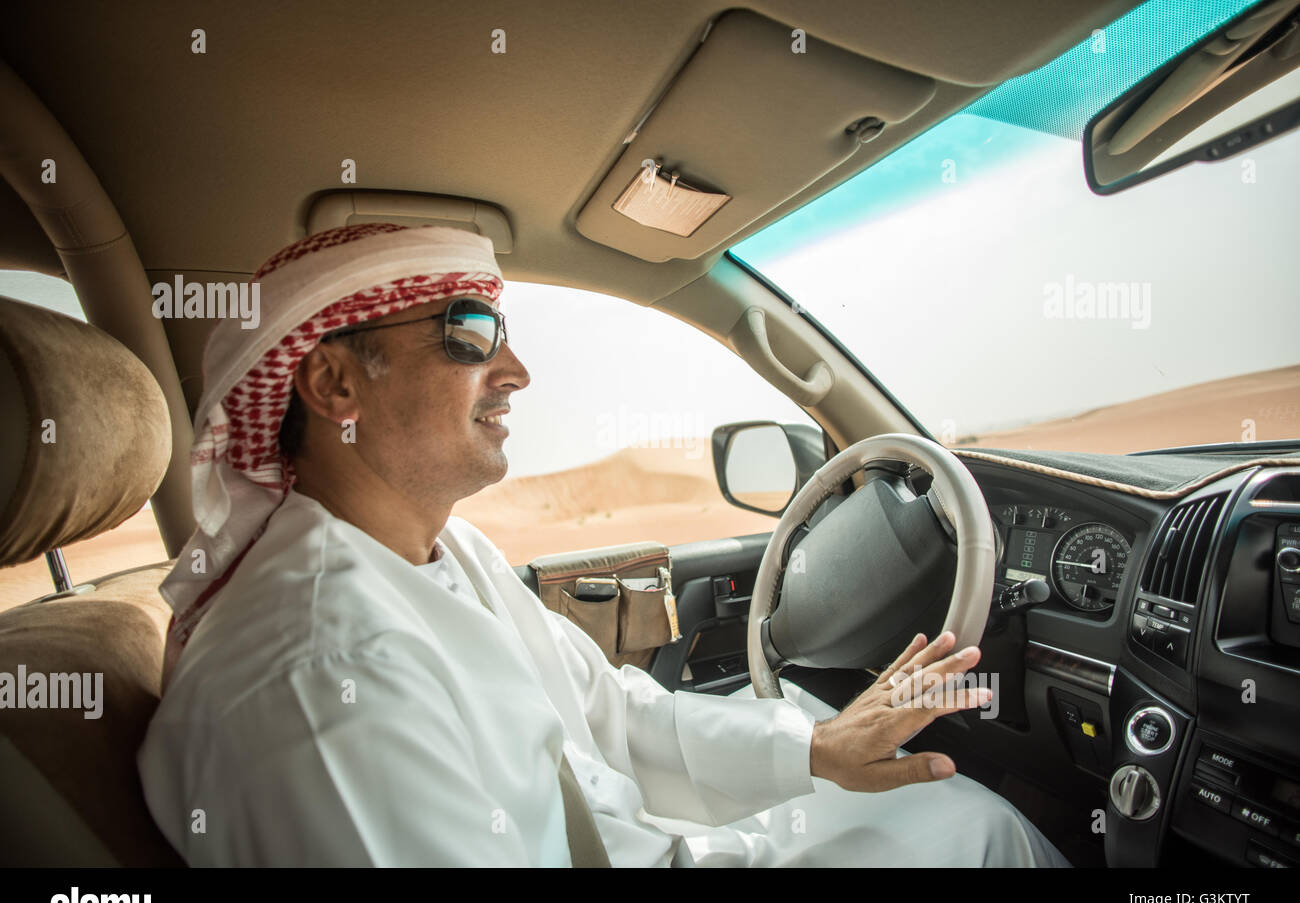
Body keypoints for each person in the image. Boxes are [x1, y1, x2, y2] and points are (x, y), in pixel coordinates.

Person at [137, 224, 1068, 867]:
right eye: (467, 334)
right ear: (336, 383)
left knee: (936, 810)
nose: (516, 371)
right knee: (973, 830)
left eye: (501, 331)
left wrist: (816, 748)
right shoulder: (316, 672)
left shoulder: (445, 553)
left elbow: (615, 718)